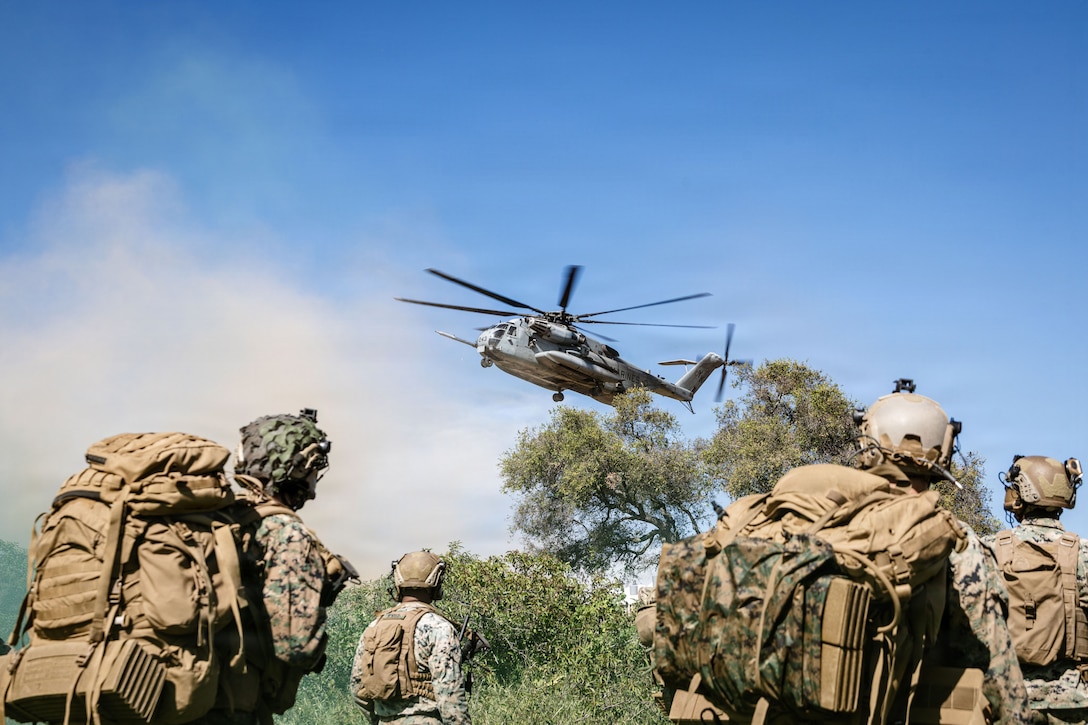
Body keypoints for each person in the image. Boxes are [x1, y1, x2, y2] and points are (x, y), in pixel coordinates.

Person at [848, 380, 1033, 725]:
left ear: (865, 443)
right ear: (943, 453)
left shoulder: (821, 519)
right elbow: (998, 676)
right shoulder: (958, 544)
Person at [197, 408, 336, 725]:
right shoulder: (287, 533)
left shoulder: (217, 519)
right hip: (229, 710)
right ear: (300, 468)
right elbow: (297, 646)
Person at [982, 455, 1088, 725]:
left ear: (1021, 494)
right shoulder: (1084, 554)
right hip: (1073, 701)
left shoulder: (988, 548)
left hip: (1005, 698)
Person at [351, 551, 471, 725]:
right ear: (435, 580)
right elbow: (450, 697)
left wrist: (378, 720)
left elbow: (357, 689)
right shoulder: (439, 627)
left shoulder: (375, 626)